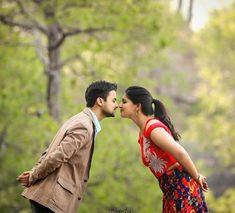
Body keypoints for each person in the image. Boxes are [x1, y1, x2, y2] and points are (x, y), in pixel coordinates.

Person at [17, 80, 118, 213]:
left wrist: (33, 172)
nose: (117, 105)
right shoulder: (84, 126)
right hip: (52, 200)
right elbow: (57, 156)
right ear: (100, 101)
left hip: (50, 199)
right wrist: (33, 175)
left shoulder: (80, 119)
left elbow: (51, 152)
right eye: (114, 100)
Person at [119, 86, 208, 213]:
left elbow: (180, 152)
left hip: (182, 187)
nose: (119, 105)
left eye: (124, 102)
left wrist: (197, 176)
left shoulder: (153, 129)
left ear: (137, 106)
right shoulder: (143, 133)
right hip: (169, 191)